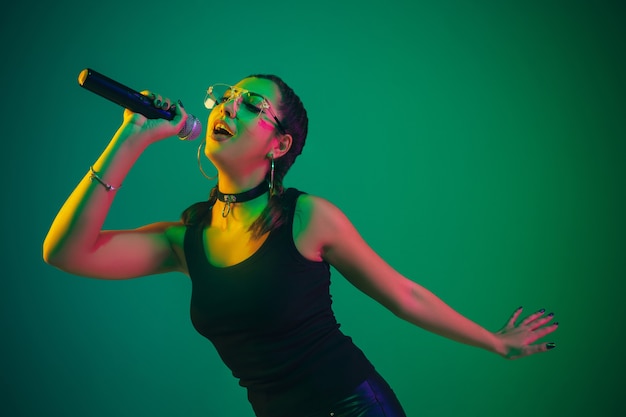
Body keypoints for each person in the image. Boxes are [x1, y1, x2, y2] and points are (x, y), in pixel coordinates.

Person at [43, 73, 558, 417]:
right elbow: (66, 252)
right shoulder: (187, 237)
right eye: (226, 97)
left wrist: (496, 342)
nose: (228, 106)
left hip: (354, 407)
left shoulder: (308, 217)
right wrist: (130, 139)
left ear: (279, 144)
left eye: (252, 105)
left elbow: (403, 294)